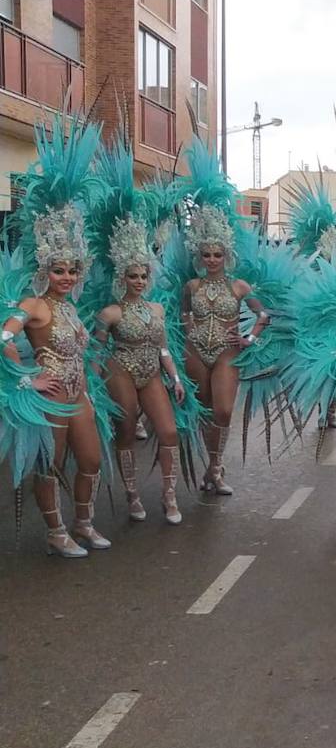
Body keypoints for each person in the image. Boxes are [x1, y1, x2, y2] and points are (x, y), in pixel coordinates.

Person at [1, 204, 107, 556]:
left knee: (90, 460)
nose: (66, 277)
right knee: (53, 464)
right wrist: (27, 380)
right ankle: (55, 531)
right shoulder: (34, 304)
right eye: (59, 270)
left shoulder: (69, 307)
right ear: (46, 271)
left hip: (79, 393)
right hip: (53, 394)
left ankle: (83, 524)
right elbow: (4, 337)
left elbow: (79, 351)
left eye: (72, 271)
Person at [96, 218, 186, 524]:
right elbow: (98, 351)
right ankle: (132, 494)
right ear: (122, 278)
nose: (138, 280)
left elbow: (163, 349)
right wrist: (92, 388)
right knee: (126, 430)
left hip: (151, 373)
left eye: (143, 276)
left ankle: (169, 496)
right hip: (121, 369)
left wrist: (174, 378)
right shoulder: (110, 313)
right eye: (132, 276)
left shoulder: (157, 310)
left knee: (169, 432)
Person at [180, 205, 269, 496]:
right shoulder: (191, 286)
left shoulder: (239, 286)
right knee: (206, 412)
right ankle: (214, 469)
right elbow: (183, 316)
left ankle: (215, 468)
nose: (212, 260)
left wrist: (249, 339)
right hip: (195, 352)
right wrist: (187, 334)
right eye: (207, 255)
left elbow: (263, 316)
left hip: (227, 352)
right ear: (200, 257)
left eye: (217, 255)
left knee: (223, 410)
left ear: (226, 256)